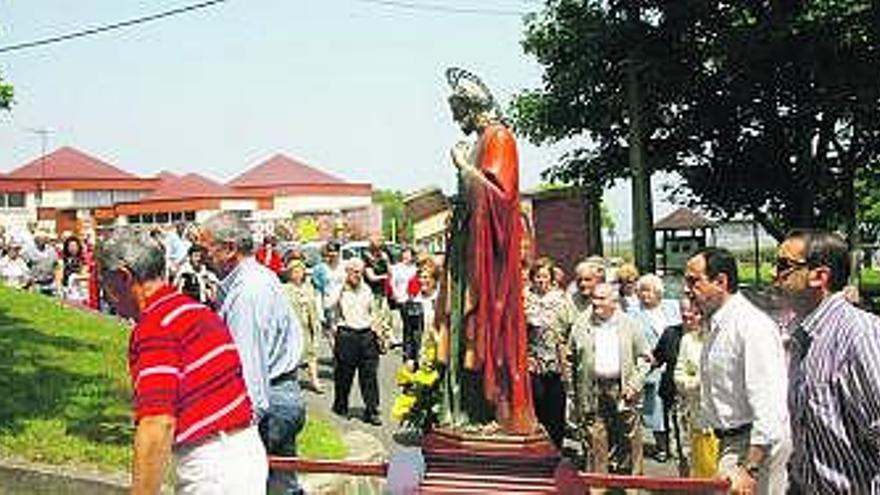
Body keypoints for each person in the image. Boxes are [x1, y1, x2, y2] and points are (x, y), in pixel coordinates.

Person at [97, 231, 266, 495]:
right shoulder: (196, 311)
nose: (105, 295)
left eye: (104, 283)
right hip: (245, 452)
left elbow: (157, 423)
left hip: (212, 466)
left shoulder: (156, 326)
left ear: (123, 277)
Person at [435, 67, 535, 434]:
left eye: (456, 111)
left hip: (489, 262)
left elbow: (501, 197)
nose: (454, 119)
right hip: (468, 251)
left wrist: (463, 169)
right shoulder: (481, 140)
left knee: (487, 327)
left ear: (470, 106)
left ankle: (497, 409)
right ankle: (468, 405)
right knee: (464, 326)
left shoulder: (499, 138)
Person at [201, 214, 306, 495]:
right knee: (282, 486)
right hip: (281, 396)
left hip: (269, 404)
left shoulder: (247, 292)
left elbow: (248, 370)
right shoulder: (257, 278)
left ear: (230, 248)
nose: (203, 256)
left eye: (207, 248)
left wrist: (239, 430)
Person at [775, 231, 880, 493]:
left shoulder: (858, 336)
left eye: (783, 266)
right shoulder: (804, 336)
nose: (773, 275)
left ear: (820, 276)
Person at [685, 247, 791, 494]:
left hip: (756, 447)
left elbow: (769, 408)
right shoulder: (719, 323)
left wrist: (750, 467)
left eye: (694, 281)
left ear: (721, 282)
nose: (687, 290)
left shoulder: (751, 327)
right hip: (733, 443)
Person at [568, 282, 650, 474]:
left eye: (601, 298)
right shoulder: (581, 323)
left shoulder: (630, 324)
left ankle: (631, 486)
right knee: (595, 438)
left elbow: (645, 358)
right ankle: (598, 486)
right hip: (593, 388)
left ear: (614, 302)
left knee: (628, 439)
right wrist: (574, 391)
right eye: (594, 298)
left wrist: (634, 384)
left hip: (623, 388)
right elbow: (570, 358)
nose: (595, 303)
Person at [628, 273, 681, 462]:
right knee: (656, 411)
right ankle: (662, 447)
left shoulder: (672, 307)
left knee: (677, 408)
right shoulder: (633, 313)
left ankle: (678, 444)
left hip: (675, 364)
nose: (645, 294)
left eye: (649, 290)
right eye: (641, 290)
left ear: (659, 292)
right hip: (651, 366)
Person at [332, 257, 384, 426]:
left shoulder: (366, 289)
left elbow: (372, 311)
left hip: (366, 335)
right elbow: (327, 304)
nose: (358, 275)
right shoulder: (338, 288)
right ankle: (341, 405)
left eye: (360, 272)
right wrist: (341, 288)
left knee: (369, 374)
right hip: (347, 334)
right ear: (347, 272)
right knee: (344, 374)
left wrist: (378, 328)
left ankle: (371, 410)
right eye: (354, 272)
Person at [524, 257, 568, 449]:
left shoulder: (560, 298)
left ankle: (556, 446)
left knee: (555, 406)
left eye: (544, 277)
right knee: (537, 404)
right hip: (533, 360)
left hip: (555, 360)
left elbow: (568, 328)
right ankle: (538, 446)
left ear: (551, 279)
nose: (541, 280)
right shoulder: (526, 297)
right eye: (537, 276)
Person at [673, 295, 718, 479]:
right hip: (698, 416)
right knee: (702, 473)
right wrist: (695, 383)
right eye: (696, 313)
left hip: (726, 420)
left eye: (702, 314)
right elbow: (678, 376)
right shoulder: (687, 341)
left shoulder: (724, 340)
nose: (698, 318)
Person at [284, 259, 324, 394]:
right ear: (289, 273)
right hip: (294, 328)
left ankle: (315, 380)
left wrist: (317, 322)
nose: (298, 274)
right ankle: (292, 382)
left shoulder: (308, 287)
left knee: (311, 354)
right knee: (294, 356)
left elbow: (314, 306)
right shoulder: (285, 289)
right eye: (295, 271)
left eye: (300, 271)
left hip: (308, 326)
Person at [312, 241, 347, 340]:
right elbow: (318, 292)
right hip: (329, 305)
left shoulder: (345, 266)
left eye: (335, 253)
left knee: (344, 331)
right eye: (330, 253)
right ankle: (336, 354)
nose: (333, 256)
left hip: (345, 304)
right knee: (332, 331)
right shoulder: (320, 269)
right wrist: (319, 312)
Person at [58, 235, 89, 304]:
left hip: (79, 288)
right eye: (70, 246)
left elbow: (85, 273)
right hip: (66, 288)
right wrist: (60, 289)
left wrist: (74, 277)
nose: (73, 248)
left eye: (74, 246)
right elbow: (59, 274)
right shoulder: (63, 259)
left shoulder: (83, 260)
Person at [27, 232, 59, 296]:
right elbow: (28, 266)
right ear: (35, 240)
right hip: (36, 283)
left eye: (44, 239)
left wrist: (56, 280)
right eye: (39, 239)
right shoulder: (30, 251)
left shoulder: (51, 250)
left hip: (50, 282)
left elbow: (56, 265)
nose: (42, 241)